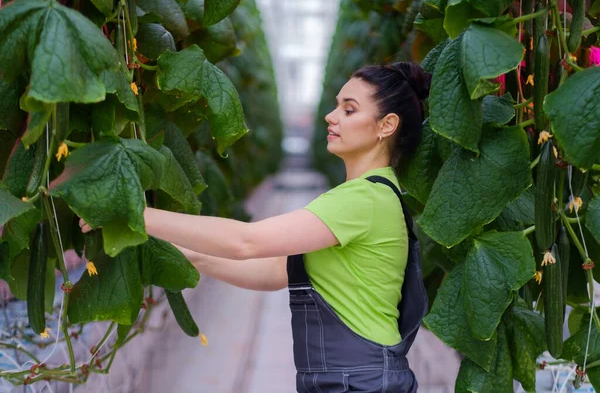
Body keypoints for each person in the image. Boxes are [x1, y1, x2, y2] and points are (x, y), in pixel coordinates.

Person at [80, 61, 431, 392]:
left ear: (386, 125)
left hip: (360, 381)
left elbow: (245, 241)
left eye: (349, 110)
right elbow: (277, 271)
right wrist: (188, 255)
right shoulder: (368, 197)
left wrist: (134, 212)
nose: (331, 116)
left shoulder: (363, 199)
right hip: (354, 378)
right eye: (337, 105)